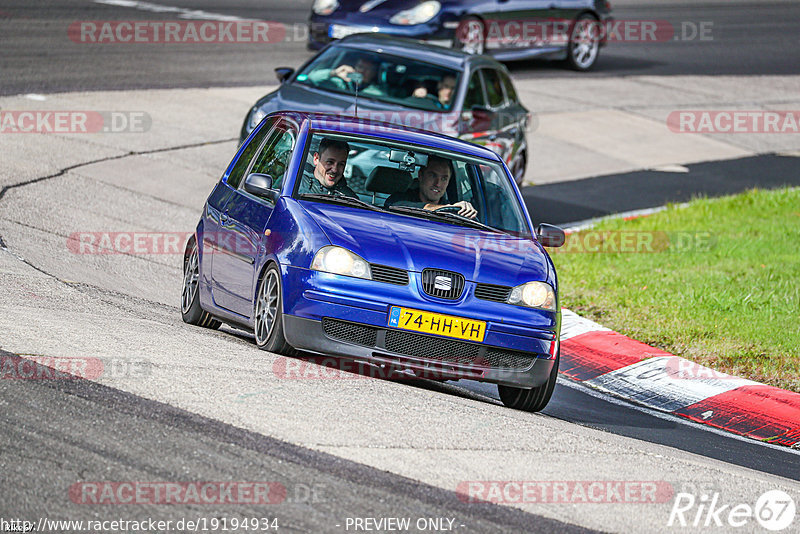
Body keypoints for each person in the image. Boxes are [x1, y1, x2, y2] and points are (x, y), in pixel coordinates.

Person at [385, 155, 477, 219]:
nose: (438, 184)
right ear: (420, 176)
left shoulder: (453, 210)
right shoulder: (400, 199)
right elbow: (393, 206)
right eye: (432, 176)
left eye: (444, 179)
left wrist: (466, 211)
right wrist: (440, 209)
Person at [308, 55, 382, 96]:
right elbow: (312, 77)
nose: (362, 71)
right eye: (360, 67)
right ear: (354, 68)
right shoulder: (339, 83)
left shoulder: (376, 93)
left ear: (374, 73)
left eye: (368, 69)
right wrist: (334, 73)